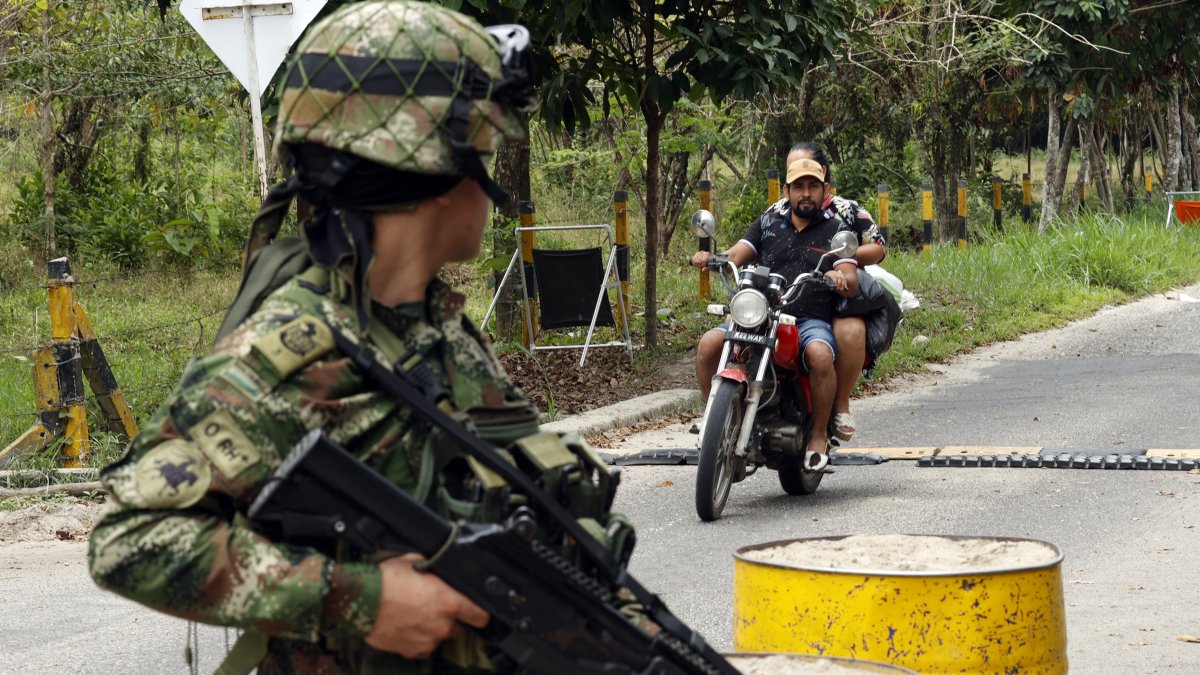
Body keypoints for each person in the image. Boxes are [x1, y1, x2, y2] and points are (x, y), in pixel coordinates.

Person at [86, 3, 591, 673]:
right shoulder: (288, 357)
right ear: (438, 165)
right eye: (490, 147)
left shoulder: (434, 329)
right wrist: (363, 599)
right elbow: (131, 538)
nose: (494, 178)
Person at [690, 156, 860, 471]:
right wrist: (712, 257)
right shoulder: (768, 223)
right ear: (786, 191)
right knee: (708, 345)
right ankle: (714, 418)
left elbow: (849, 276)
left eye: (812, 186)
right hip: (759, 310)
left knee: (821, 356)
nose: (805, 193)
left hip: (807, 317)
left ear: (824, 191)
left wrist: (841, 278)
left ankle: (819, 434)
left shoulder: (835, 230)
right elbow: (736, 254)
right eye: (798, 187)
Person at [783, 143, 888, 442]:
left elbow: (878, 246)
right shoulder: (777, 212)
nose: (803, 187)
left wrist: (842, 258)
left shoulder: (847, 209)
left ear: (823, 177)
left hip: (838, 291)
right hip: (793, 293)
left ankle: (839, 403)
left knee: (850, 330)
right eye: (794, 176)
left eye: (808, 175)